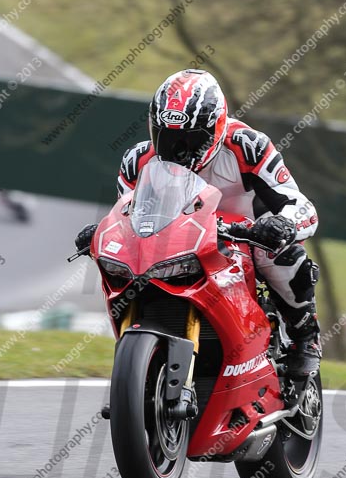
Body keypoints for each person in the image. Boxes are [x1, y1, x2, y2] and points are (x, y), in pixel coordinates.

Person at [76, 69, 321, 379]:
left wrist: (283, 224)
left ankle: (305, 338)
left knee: (283, 257)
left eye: (192, 138)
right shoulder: (137, 161)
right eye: (168, 137)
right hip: (175, 243)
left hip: (244, 237)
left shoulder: (248, 146)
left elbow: (296, 201)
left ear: (217, 126)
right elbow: (127, 217)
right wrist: (99, 233)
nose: (179, 149)